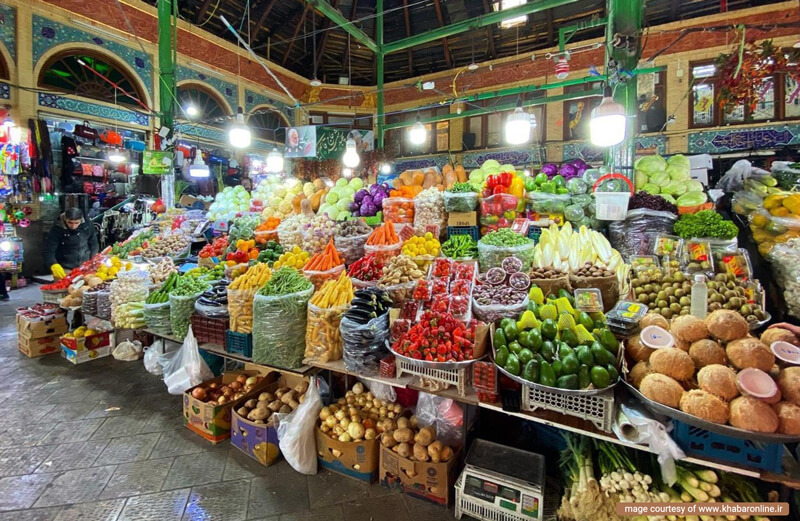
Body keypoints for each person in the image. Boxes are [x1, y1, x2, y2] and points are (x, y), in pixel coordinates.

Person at [44, 207, 99, 280]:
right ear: (65, 219)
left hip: (86, 267)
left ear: (81, 220)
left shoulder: (88, 225)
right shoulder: (57, 229)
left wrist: (94, 259)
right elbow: (49, 250)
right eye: (70, 222)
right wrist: (53, 264)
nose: (73, 226)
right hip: (64, 268)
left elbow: (94, 244)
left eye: (76, 223)